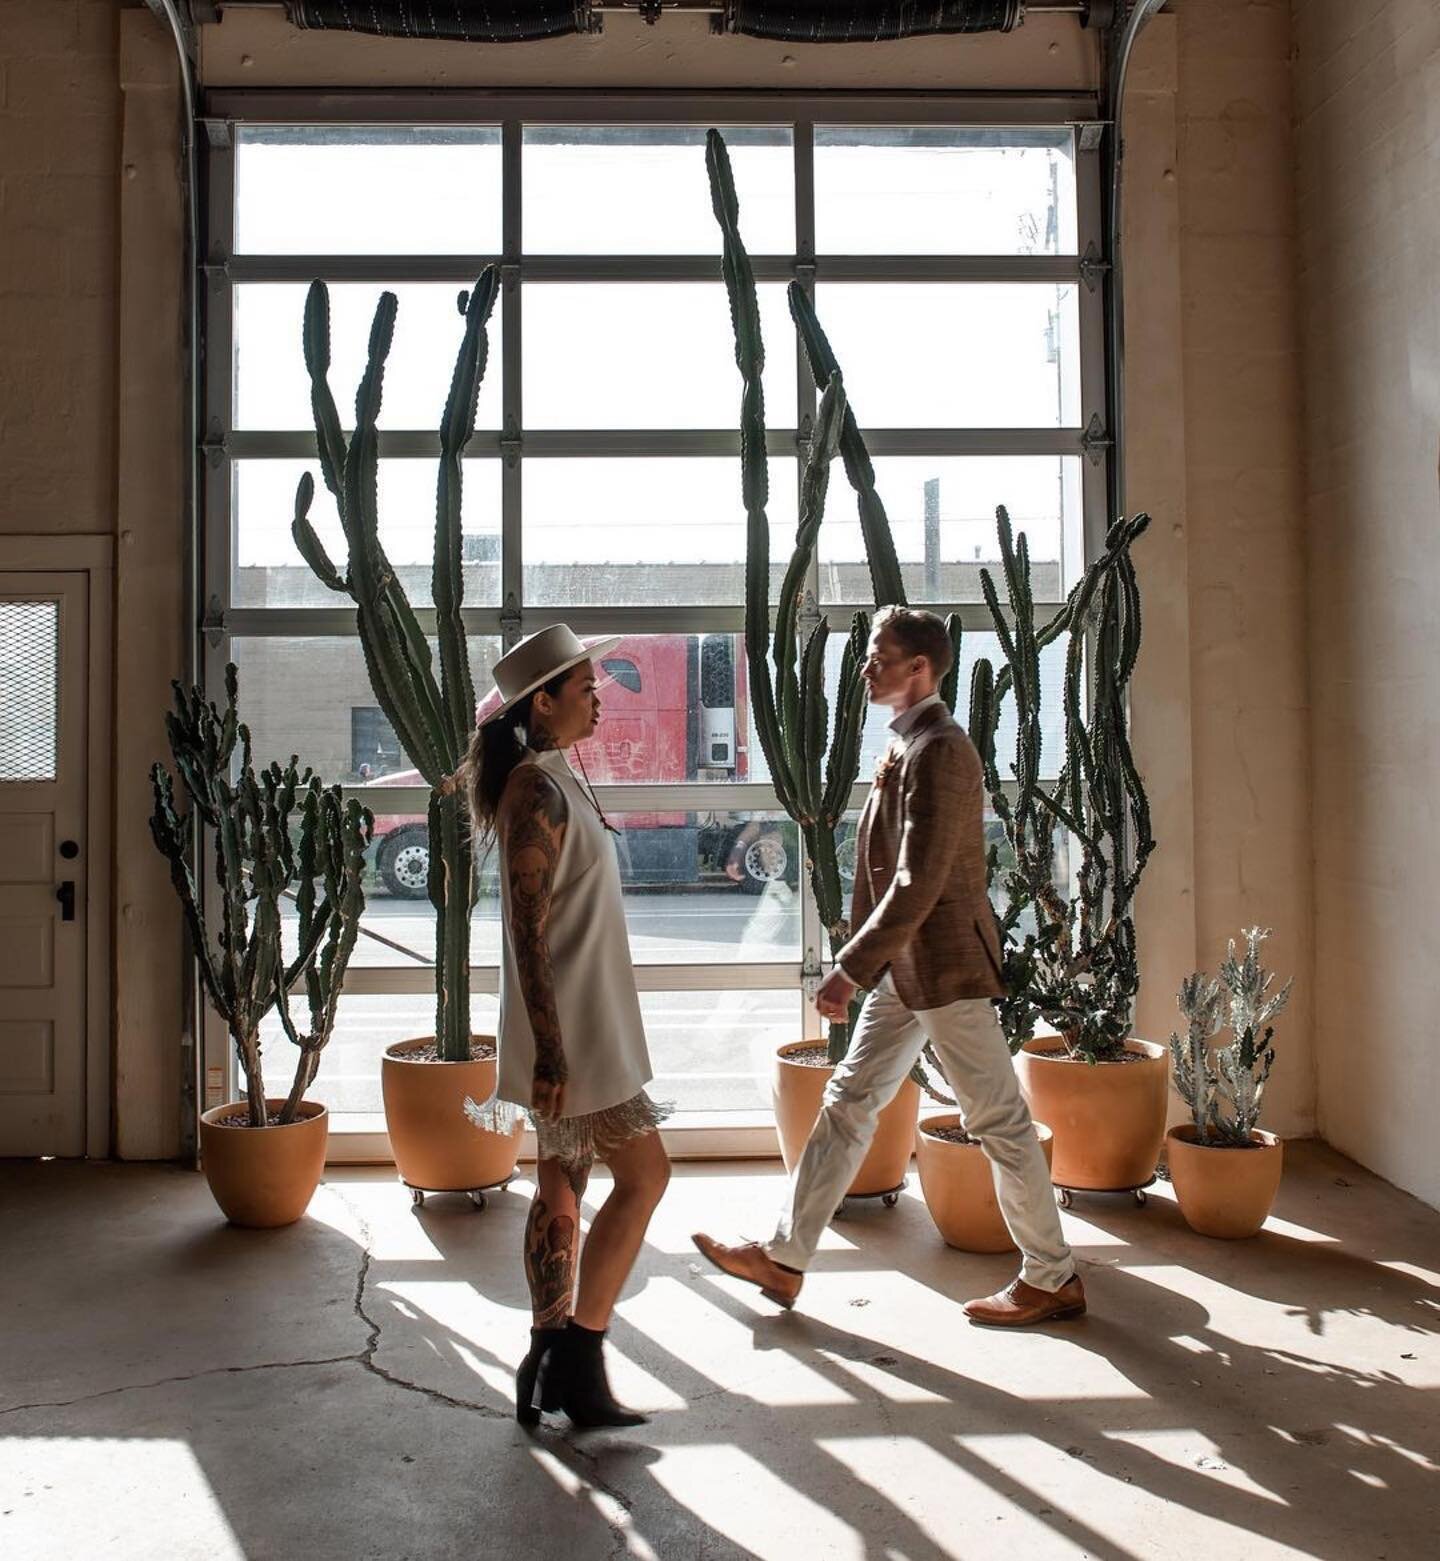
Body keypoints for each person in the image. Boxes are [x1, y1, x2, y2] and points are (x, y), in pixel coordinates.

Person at [693, 606, 1085, 1327]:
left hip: (942, 967)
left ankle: (1052, 1275)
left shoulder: (940, 750)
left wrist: (850, 966)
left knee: (996, 1118)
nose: (866, 667)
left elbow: (918, 881)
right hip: (911, 970)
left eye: (880, 656)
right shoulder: (910, 744)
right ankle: (785, 1258)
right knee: (848, 1102)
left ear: (920, 670)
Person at [462, 624, 671, 1428]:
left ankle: (548, 1360)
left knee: (562, 1180)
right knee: (646, 1178)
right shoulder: (537, 792)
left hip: (579, 1022)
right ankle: (577, 1356)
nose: (599, 698)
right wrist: (551, 1046)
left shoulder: (550, 779)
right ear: (540, 702)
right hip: (576, 1033)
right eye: (584, 687)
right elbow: (526, 927)